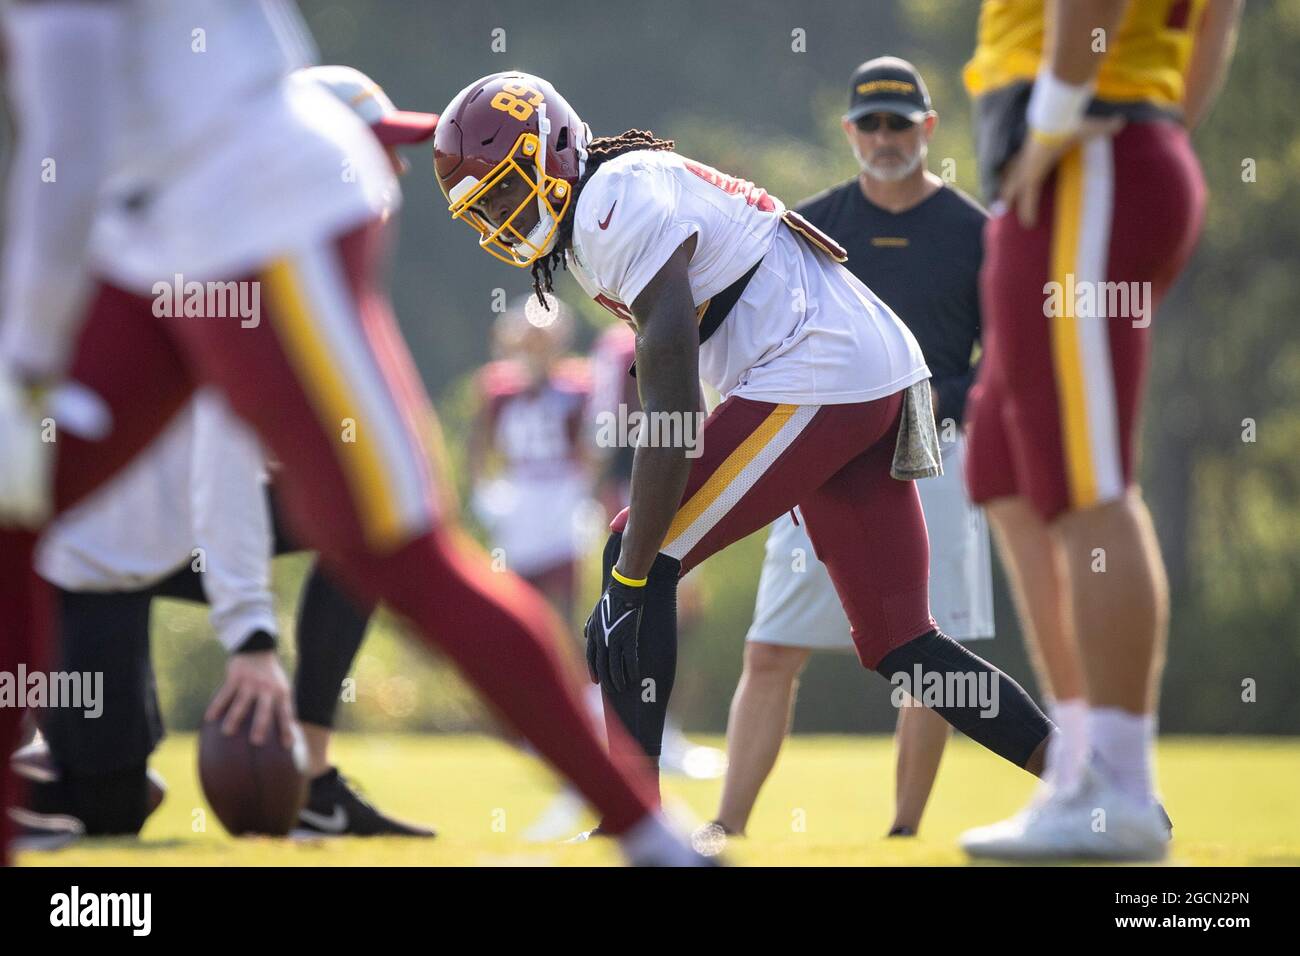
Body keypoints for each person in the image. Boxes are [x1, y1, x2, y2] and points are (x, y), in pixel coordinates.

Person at [0, 0, 698, 867]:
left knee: (390, 551)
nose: (405, 185)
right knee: (11, 512)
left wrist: (27, 352)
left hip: (250, 209)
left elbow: (68, 123)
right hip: (151, 224)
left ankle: (649, 835)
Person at [434, 71, 1056, 838]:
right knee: (904, 644)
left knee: (640, 551)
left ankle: (634, 821)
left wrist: (630, 574)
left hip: (819, 367)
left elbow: (674, 411)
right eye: (483, 206)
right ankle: (1079, 780)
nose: (499, 215)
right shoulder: (613, 193)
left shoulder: (608, 206)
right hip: (861, 364)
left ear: (555, 149)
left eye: (503, 189)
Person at [8, 65, 437, 847]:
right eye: (377, 153)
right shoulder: (229, 255)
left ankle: (311, 776)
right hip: (83, 557)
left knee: (363, 519)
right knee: (105, 811)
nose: (394, 175)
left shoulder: (292, 259)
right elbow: (223, 462)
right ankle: (49, 758)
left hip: (163, 533)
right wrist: (252, 639)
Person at [958, 0, 1241, 860]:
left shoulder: (1077, 128)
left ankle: (1119, 782)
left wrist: (1059, 117)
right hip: (1093, 144)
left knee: (1088, 484)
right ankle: (1082, 770)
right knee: (1002, 472)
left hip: (1085, 144)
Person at [714, 57, 995, 838]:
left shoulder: (975, 232)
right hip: (818, 462)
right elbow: (760, 335)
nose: (884, 137)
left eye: (899, 123)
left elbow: (1005, 355)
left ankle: (904, 835)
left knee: (928, 664)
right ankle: (726, 828)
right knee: (771, 649)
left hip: (934, 455)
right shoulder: (809, 227)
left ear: (927, 129)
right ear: (849, 131)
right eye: (869, 123)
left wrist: (952, 397)